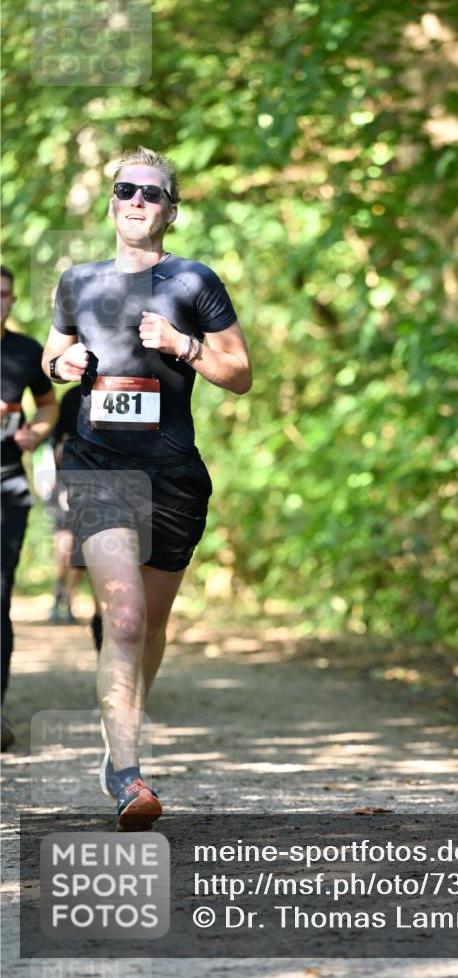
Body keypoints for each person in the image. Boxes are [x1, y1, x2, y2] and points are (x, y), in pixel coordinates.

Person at [41, 146, 252, 828]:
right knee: (123, 617)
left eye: (152, 193)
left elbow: (240, 373)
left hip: (174, 473)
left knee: (150, 626)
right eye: (126, 190)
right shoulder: (77, 281)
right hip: (98, 465)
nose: (137, 201)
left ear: (171, 210)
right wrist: (61, 360)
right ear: (111, 201)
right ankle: (131, 777)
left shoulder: (193, 282)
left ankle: (119, 737)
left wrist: (185, 346)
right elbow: (51, 356)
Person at [1, 265, 58, 751]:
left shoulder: (24, 352)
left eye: (2, 295)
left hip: (7, 487)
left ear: (12, 301)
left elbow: (48, 404)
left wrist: (34, 432)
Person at [46, 384, 103, 650]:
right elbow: (57, 446)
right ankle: (62, 594)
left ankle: (90, 606)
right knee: (67, 543)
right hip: (70, 478)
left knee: (88, 547)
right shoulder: (71, 397)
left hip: (111, 482)